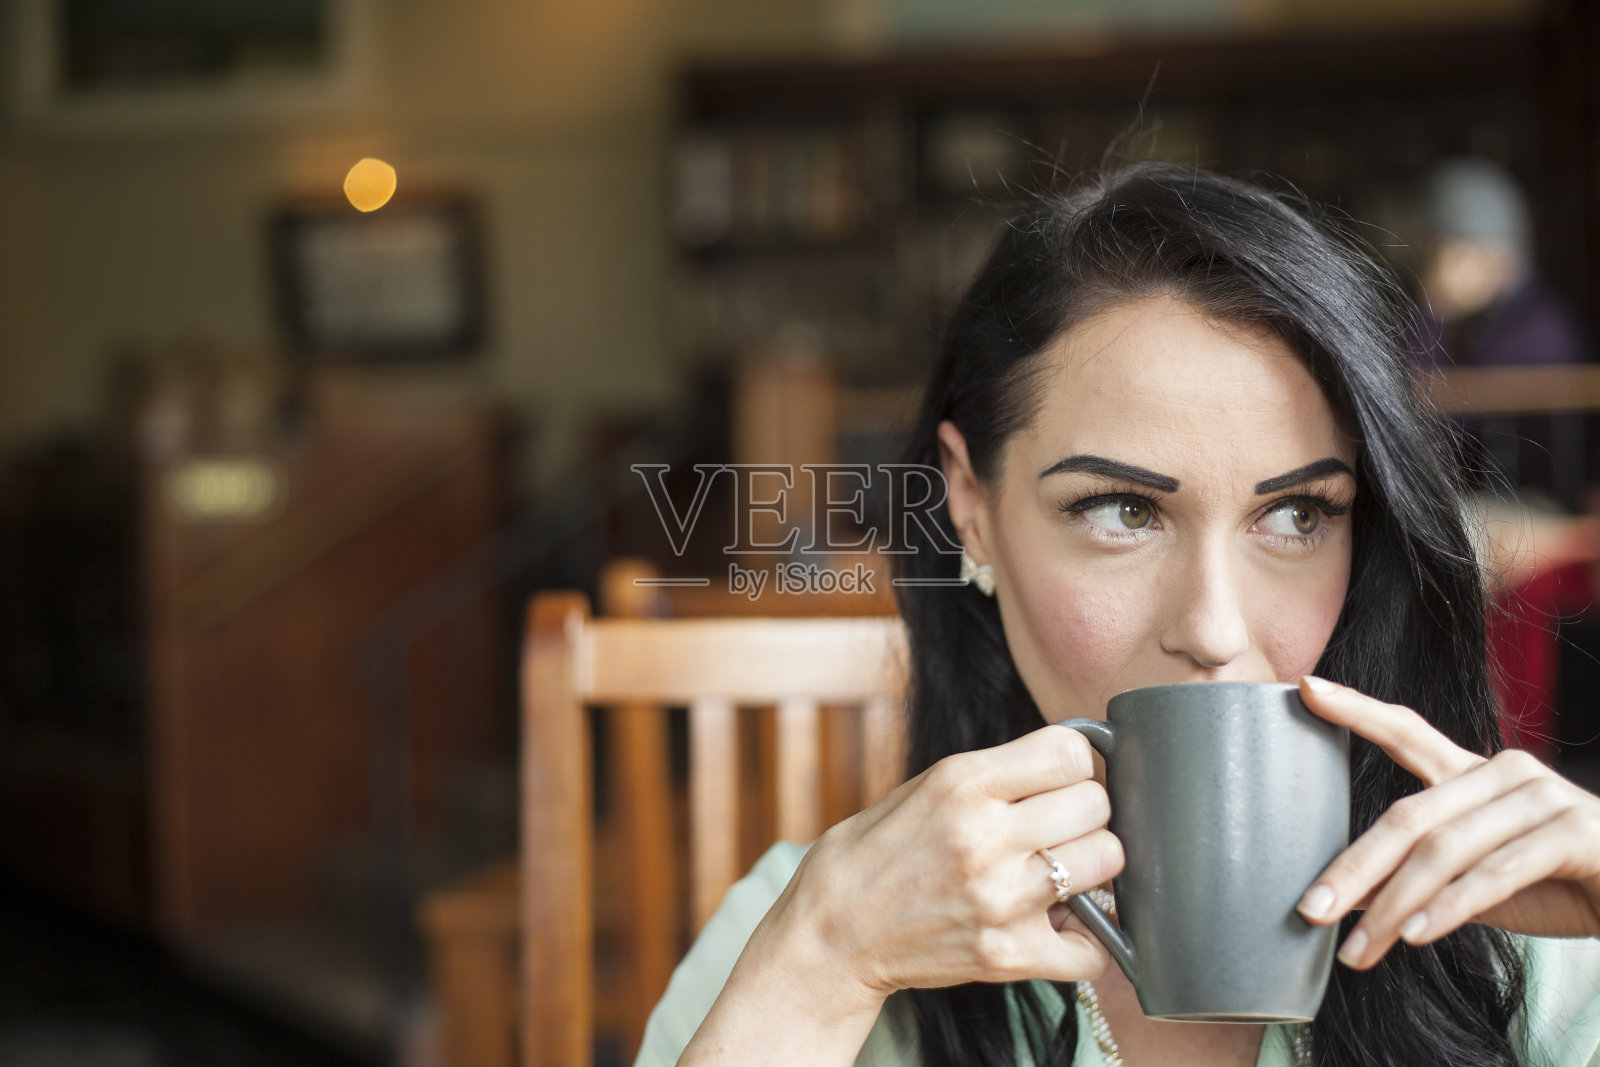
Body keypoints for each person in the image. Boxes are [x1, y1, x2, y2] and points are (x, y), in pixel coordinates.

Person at [635, 162, 1600, 1067]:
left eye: (1297, 515)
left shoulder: (1522, 929)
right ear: (969, 504)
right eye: (1122, 511)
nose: (1214, 628)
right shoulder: (809, 936)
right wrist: (821, 962)